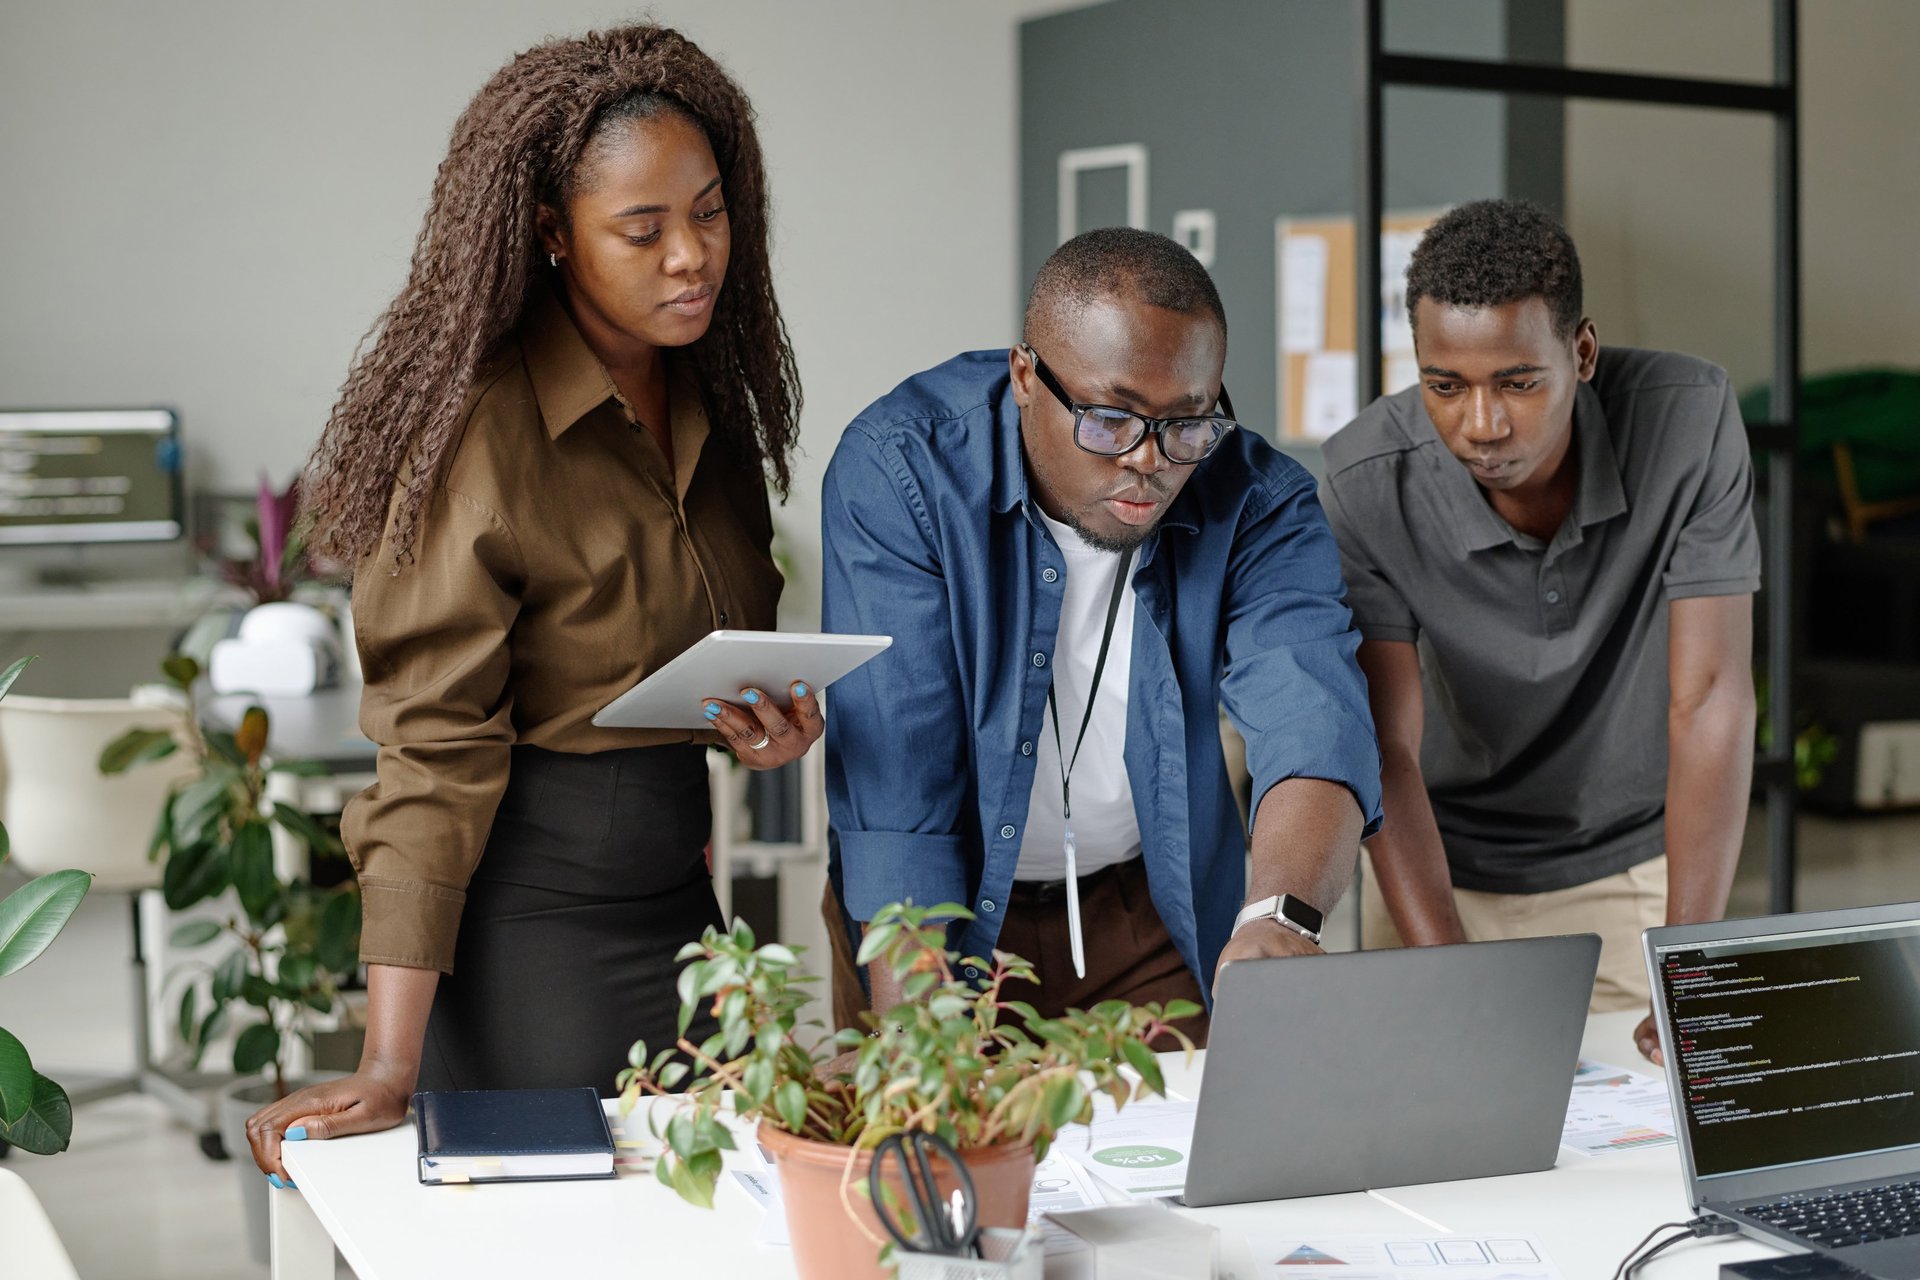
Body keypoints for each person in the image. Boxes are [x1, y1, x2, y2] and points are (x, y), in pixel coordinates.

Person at [244, 24, 819, 1187]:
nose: (691, 256)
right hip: (529, 928)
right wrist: (389, 1066)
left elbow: (680, 646)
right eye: (642, 230)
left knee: (722, 1223)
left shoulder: (712, 397)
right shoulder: (478, 435)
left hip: (689, 909)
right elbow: (431, 752)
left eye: (709, 213)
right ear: (554, 234)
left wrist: (762, 728)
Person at [820, 228, 1382, 1044]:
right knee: (944, 1160)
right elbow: (900, 791)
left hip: (1150, 914)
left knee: (1192, 1166)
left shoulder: (1258, 500)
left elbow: (1313, 717)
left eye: (1189, 422)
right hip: (938, 925)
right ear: (1024, 377)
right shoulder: (904, 472)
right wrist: (919, 1051)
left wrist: (1279, 917)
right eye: (1111, 419)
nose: (1149, 462)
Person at [1320, 199, 1758, 1063]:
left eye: (1518, 381)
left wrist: (1687, 962)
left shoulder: (1690, 419)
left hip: (1626, 872)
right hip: (1432, 874)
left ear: (1582, 353)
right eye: (1445, 386)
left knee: (1634, 1164)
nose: (1481, 425)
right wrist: (1444, 964)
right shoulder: (1362, 480)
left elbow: (1707, 700)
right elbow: (1385, 747)